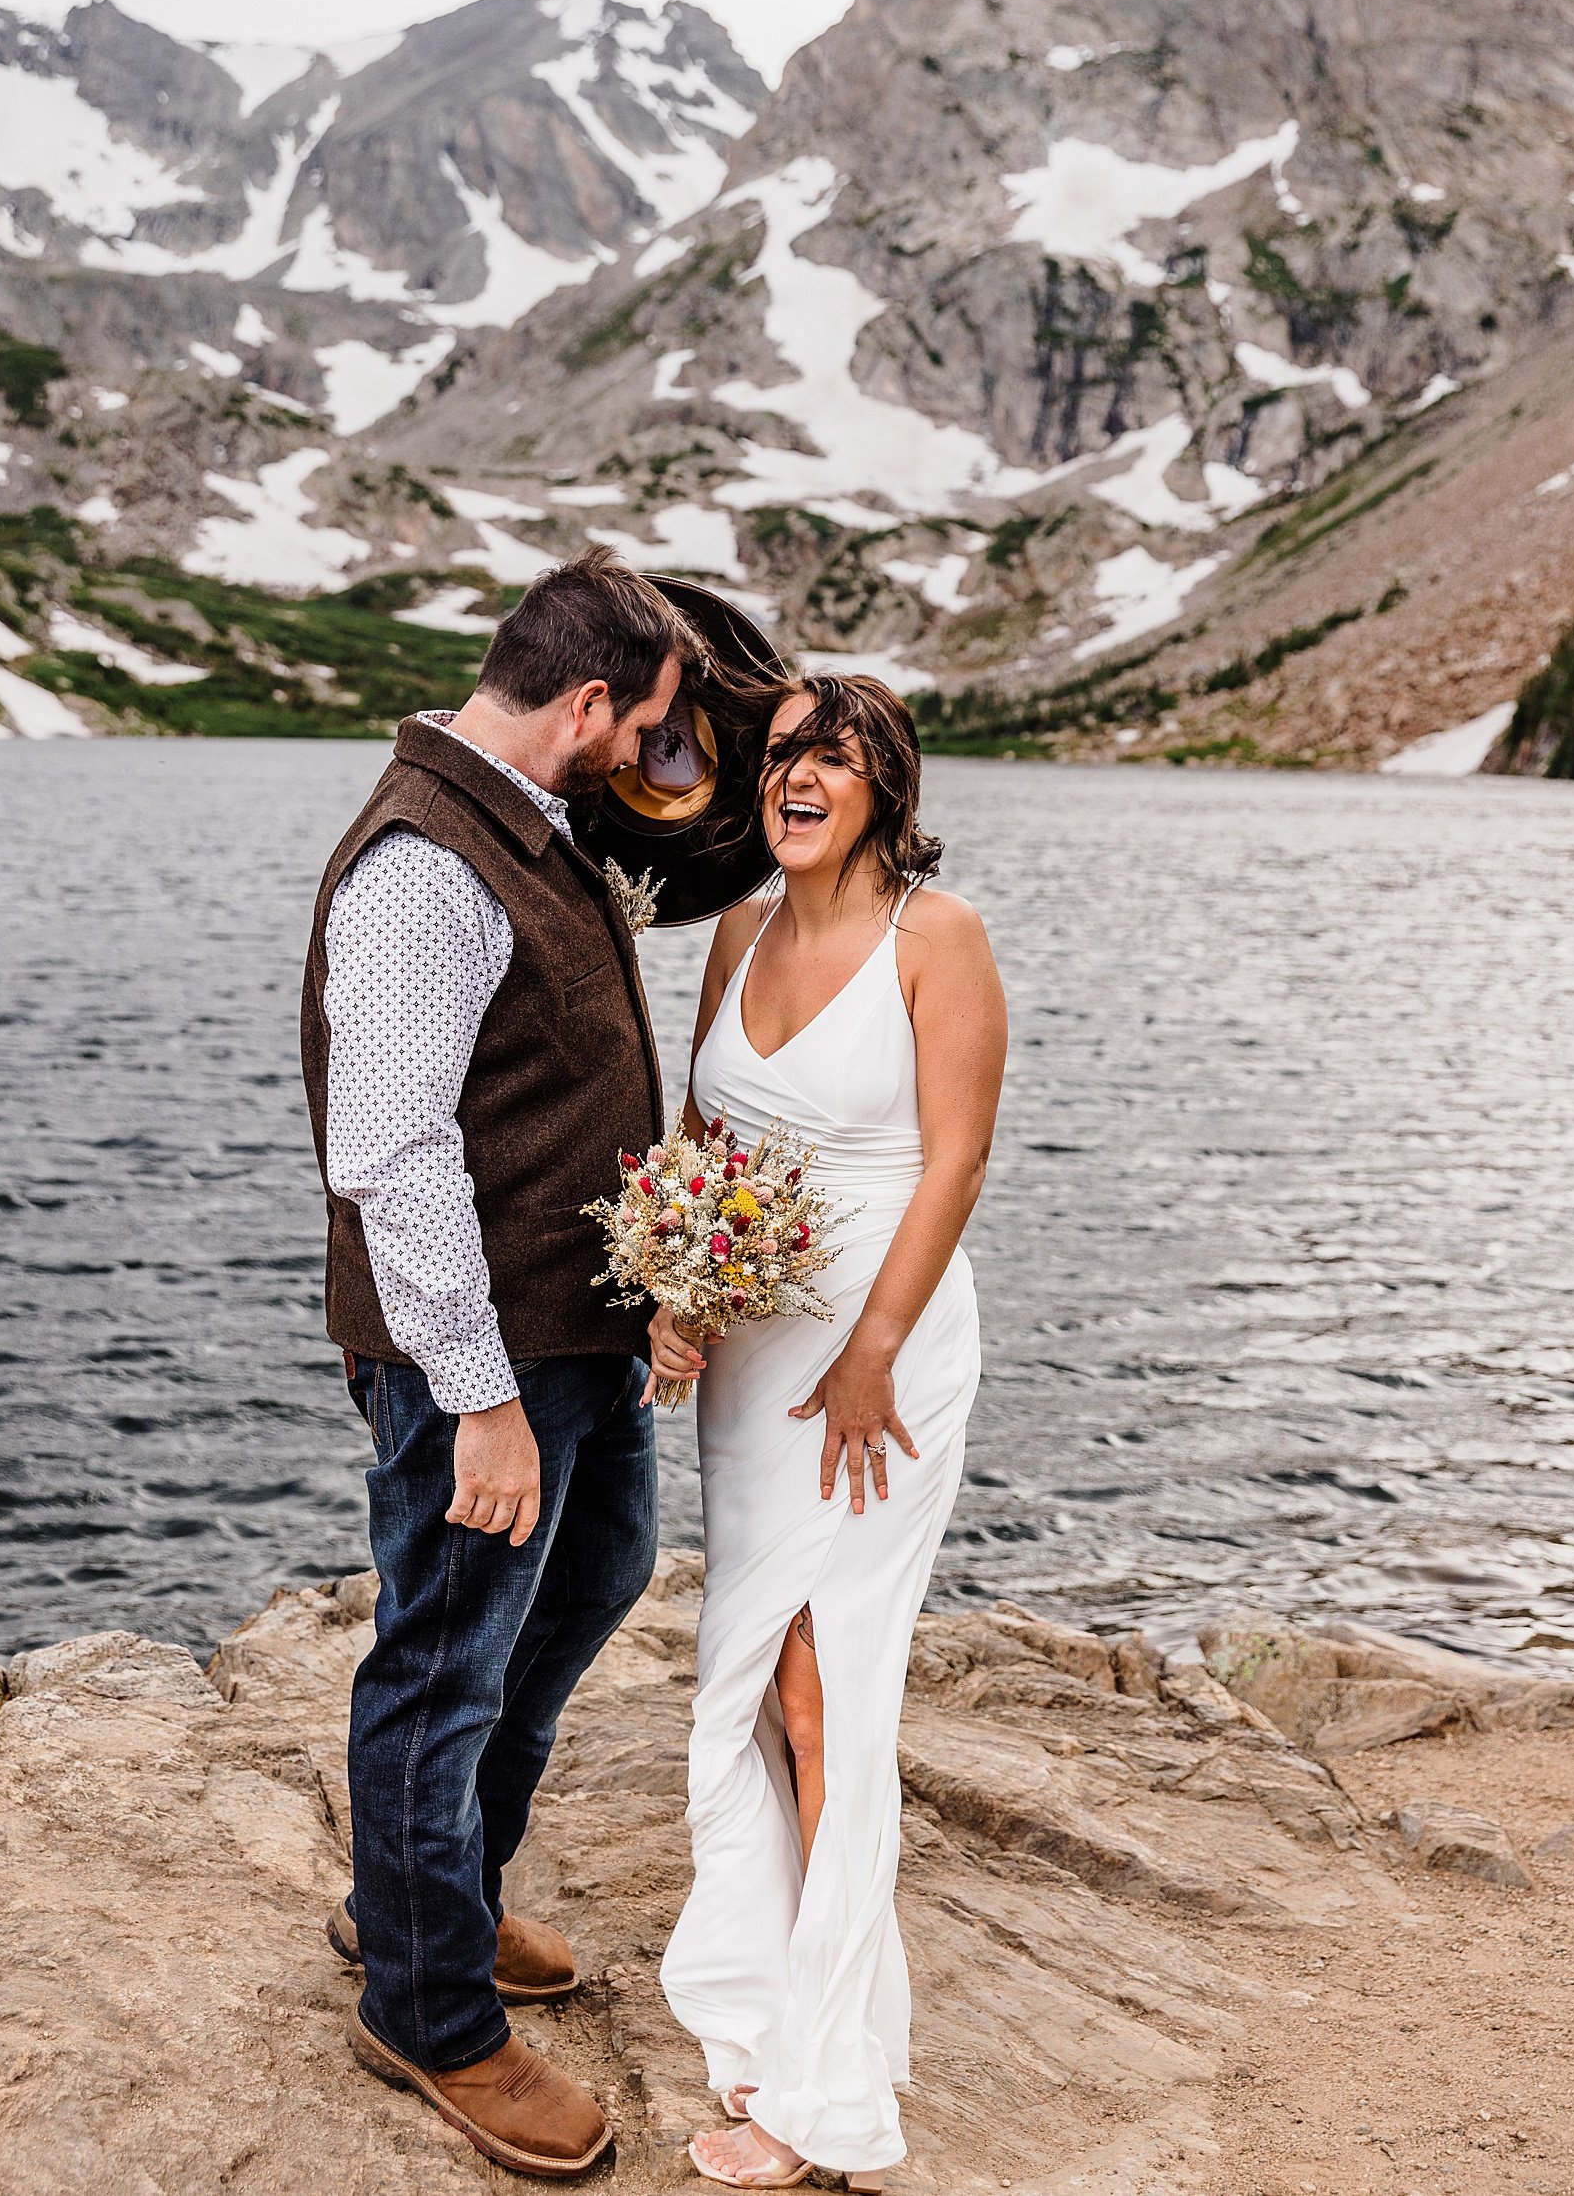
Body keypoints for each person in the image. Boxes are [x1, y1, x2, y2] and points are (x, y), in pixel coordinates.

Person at [298, 548, 695, 2180]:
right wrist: (475, 1399)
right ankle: (429, 2009)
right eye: (647, 731)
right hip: (493, 1364)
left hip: (575, 1338)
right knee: (444, 1663)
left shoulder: (523, 827)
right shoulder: (421, 868)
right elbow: (391, 1156)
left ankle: (428, 1888)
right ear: (586, 702)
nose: (650, 764)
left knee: (597, 1580)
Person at [654, 675, 1008, 2192]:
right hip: (750, 1359)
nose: (799, 773)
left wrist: (872, 1350)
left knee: (824, 1689)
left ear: (887, 789)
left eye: (835, 755)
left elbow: (957, 1158)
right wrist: (671, 1288)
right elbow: (698, 1144)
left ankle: (823, 2100)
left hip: (885, 1350)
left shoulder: (944, 942)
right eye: (784, 750)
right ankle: (772, 2014)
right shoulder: (736, 930)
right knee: (748, 1675)